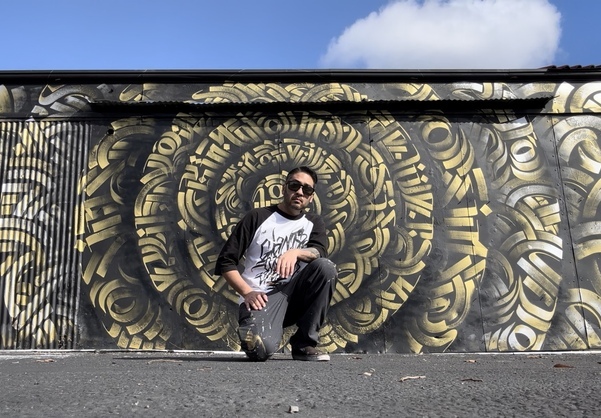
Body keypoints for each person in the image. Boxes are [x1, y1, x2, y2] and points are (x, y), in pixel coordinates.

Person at [214, 166, 337, 361]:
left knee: (326, 268)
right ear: (284, 188)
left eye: (307, 190)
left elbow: (319, 252)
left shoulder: (314, 222)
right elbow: (226, 262)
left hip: (293, 297)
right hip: (260, 299)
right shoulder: (257, 217)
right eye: (294, 185)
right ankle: (256, 330)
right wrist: (247, 293)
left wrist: (295, 252)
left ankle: (304, 344)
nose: (299, 192)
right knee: (259, 351)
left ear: (311, 197)